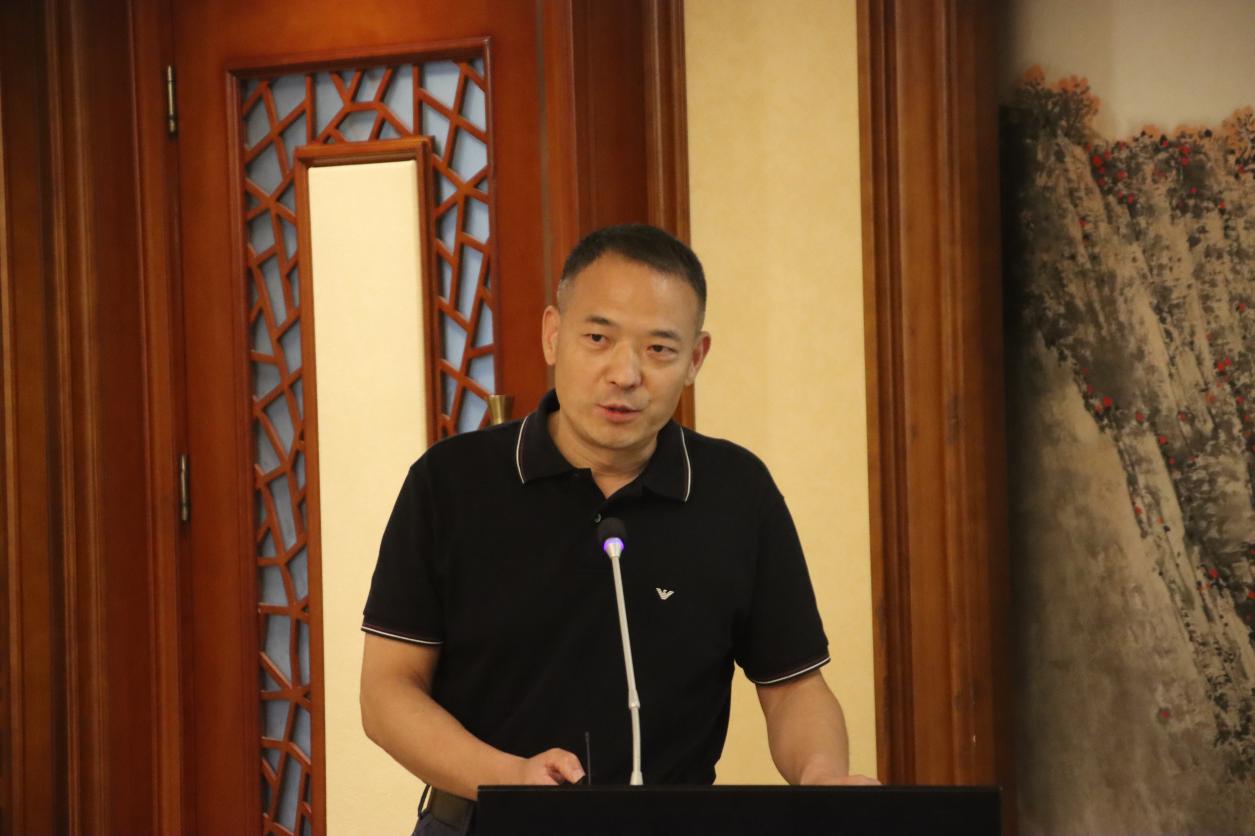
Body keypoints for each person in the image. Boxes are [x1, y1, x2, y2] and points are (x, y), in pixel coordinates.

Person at [360, 224, 875, 835]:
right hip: (484, 821)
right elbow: (388, 692)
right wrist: (508, 777)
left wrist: (822, 779)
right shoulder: (451, 482)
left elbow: (793, 688)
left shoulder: (737, 491)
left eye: (659, 349)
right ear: (553, 334)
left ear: (696, 359)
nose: (625, 373)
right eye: (598, 338)